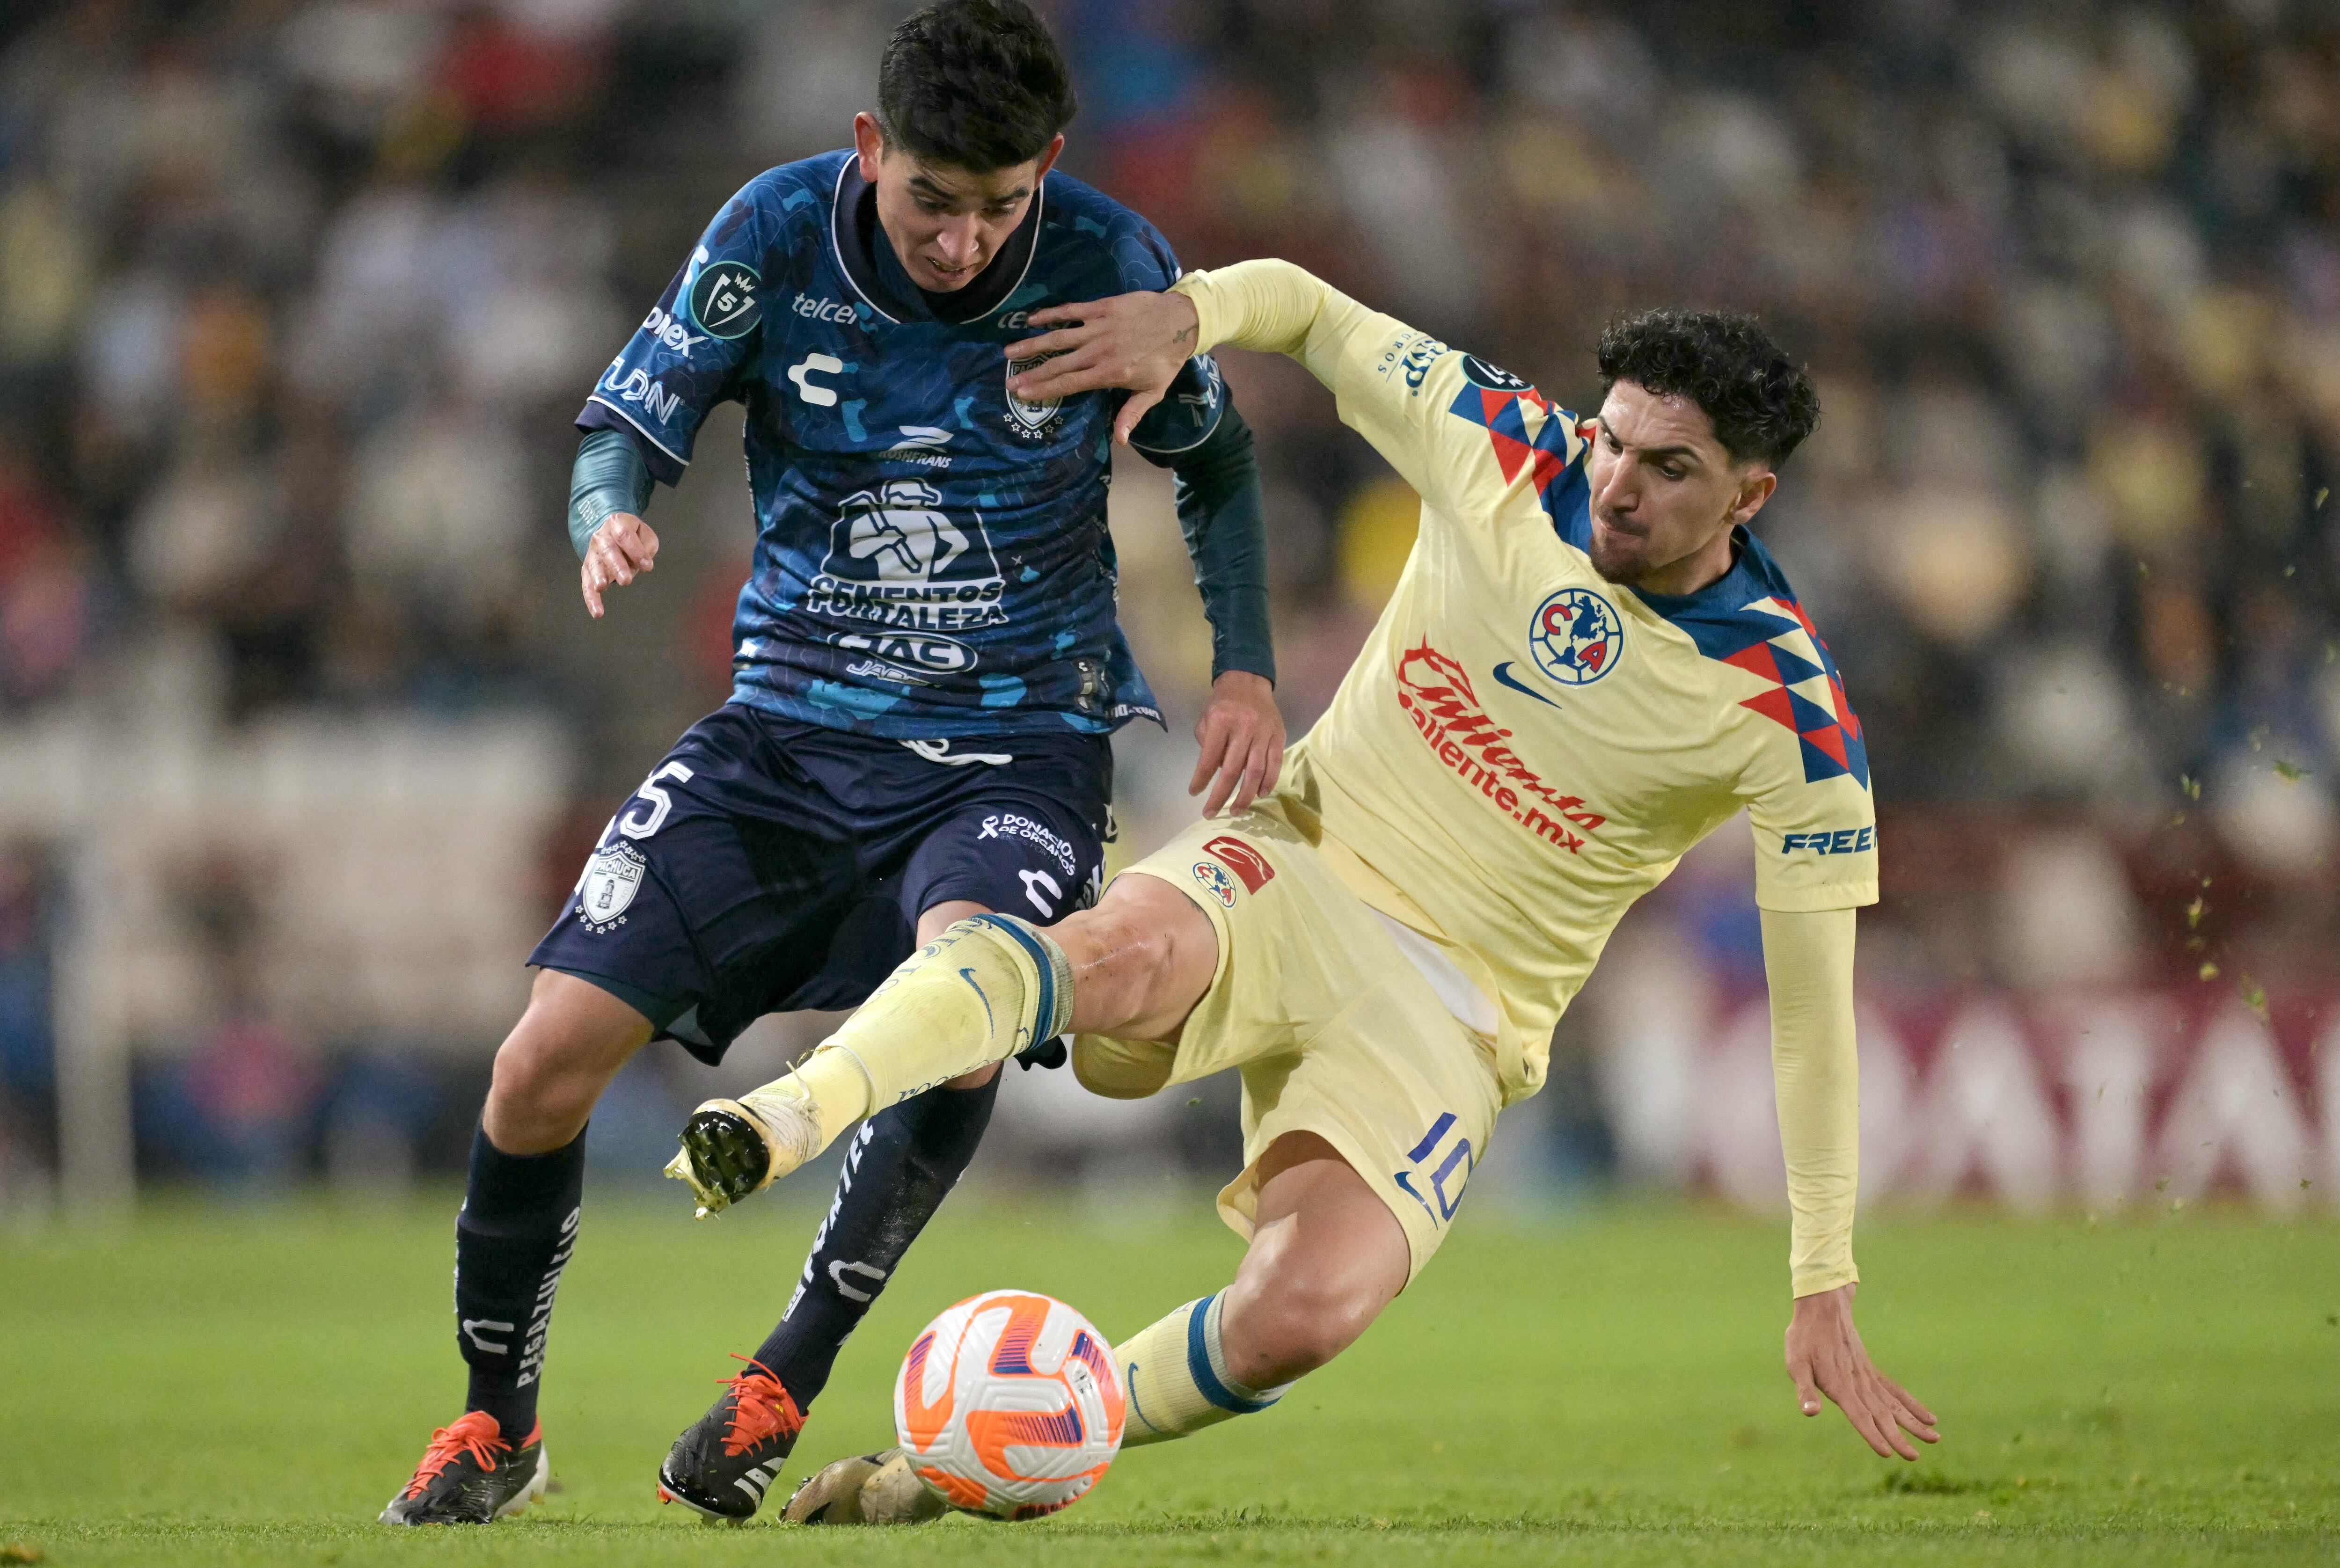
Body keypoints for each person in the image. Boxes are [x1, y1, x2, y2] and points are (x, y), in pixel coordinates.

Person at [668, 258, 1940, 1525]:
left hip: (1454, 1011)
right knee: (1116, 953)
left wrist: (1821, 1272)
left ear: (1750, 494)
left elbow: (1812, 1015)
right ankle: (790, 1111)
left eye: (1670, 468)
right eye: (1612, 440)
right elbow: (1313, 312)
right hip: (1303, 858)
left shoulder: (1790, 714)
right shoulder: (1506, 443)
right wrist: (1193, 314)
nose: (1615, 481)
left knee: (1305, 1313)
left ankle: (960, 1465)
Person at [381, 0, 1287, 1527]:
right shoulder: (777, 232)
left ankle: (782, 1376)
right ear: (872, 149)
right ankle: (494, 1431)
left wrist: (1248, 662)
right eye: (934, 198)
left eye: (1001, 205)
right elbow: (631, 417)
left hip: (1019, 746)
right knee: (537, 1065)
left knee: (974, 994)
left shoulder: (1107, 263)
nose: (962, 239)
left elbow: (1215, 459)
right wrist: (608, 505)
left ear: (1049, 171)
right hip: (787, 737)